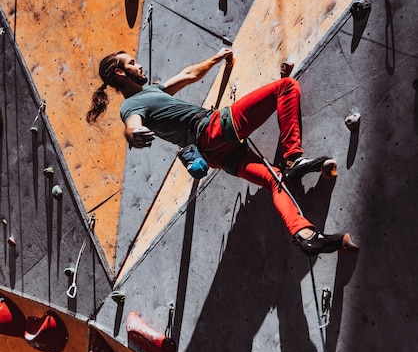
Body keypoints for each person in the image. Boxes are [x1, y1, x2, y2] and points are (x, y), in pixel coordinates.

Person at [86, 48, 358, 256]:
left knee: (276, 180)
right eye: (132, 63)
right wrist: (133, 134)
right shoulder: (131, 106)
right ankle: (294, 158)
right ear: (120, 73)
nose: (140, 64)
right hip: (214, 129)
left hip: (216, 155)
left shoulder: (154, 91)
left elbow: (189, 75)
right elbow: (132, 124)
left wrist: (216, 59)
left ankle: (306, 235)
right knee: (285, 88)